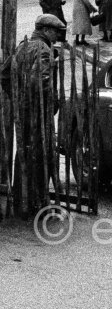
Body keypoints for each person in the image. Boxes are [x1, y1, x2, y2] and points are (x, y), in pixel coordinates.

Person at [12, 14, 65, 214]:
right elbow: (40, 80)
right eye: (54, 32)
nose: (56, 36)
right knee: (41, 152)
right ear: (44, 30)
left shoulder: (22, 46)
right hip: (38, 111)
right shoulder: (43, 50)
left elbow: (6, 74)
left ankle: (21, 197)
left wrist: (19, 97)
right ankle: (37, 201)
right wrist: (48, 101)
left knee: (24, 151)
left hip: (24, 110)